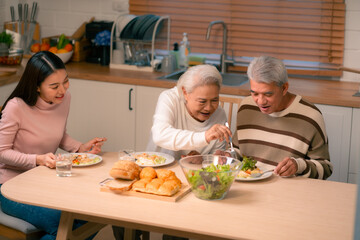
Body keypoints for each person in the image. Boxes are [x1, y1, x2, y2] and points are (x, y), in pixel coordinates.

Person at [0, 51, 106, 240]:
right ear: (37, 87)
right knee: (63, 225)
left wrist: (80, 147)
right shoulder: (16, 107)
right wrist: (37, 160)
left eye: (65, 81)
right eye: (54, 86)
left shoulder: (64, 100)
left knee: (91, 217)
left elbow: (57, 134)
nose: (62, 90)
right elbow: (2, 153)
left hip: (43, 181)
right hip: (10, 187)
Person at [219, 55, 332, 179]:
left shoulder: (311, 117)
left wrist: (298, 166)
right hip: (249, 186)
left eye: (268, 94)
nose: (260, 101)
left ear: (284, 88)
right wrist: (227, 156)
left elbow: (325, 168)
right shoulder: (246, 107)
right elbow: (239, 151)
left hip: (287, 191)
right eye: (255, 93)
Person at [146, 64, 232, 160]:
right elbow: (160, 135)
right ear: (185, 93)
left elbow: (213, 159)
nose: (208, 108)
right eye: (202, 101)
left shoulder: (219, 114)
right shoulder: (170, 99)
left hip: (193, 172)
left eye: (215, 100)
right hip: (157, 167)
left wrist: (204, 159)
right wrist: (204, 137)